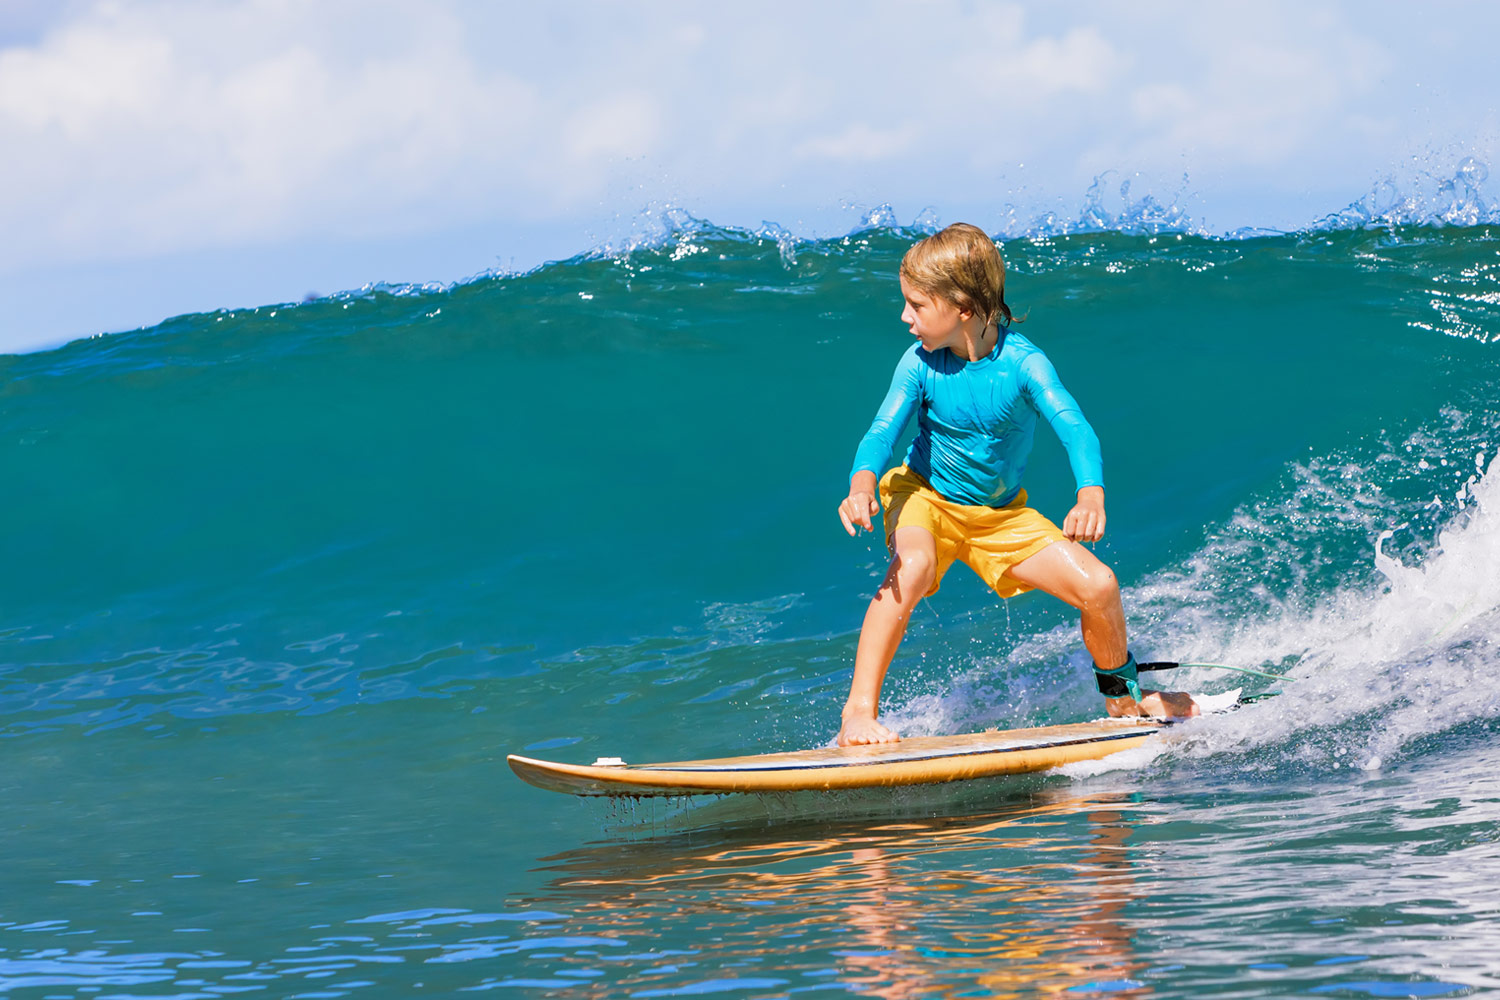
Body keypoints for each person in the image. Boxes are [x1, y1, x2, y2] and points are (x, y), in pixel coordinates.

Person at [836, 223, 1198, 747]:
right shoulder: (918, 365)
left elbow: (1073, 425)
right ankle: (857, 715)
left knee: (1099, 585)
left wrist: (1090, 492)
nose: (904, 317)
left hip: (1000, 515)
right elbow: (881, 431)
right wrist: (862, 484)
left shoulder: (1024, 365)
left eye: (916, 304)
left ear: (961, 306)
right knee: (913, 566)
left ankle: (1123, 702)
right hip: (923, 497)